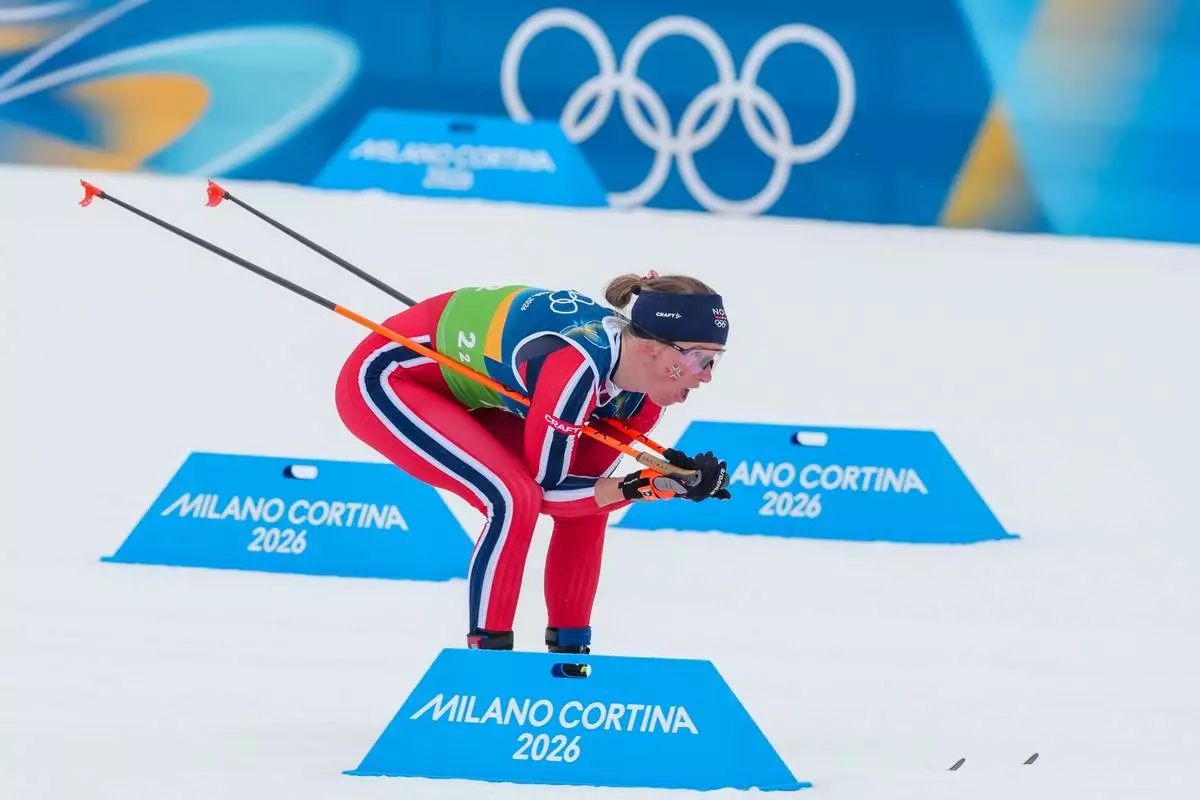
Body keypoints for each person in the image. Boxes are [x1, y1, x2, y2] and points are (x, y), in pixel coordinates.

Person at [334, 271, 732, 654]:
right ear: (652, 346)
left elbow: (586, 496)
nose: (708, 377)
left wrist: (646, 485)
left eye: (715, 361)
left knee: (590, 508)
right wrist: (643, 486)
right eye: (699, 358)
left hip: (471, 393)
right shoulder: (577, 368)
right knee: (512, 497)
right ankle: (488, 661)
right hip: (390, 378)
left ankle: (570, 660)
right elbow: (548, 493)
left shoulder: (642, 392)